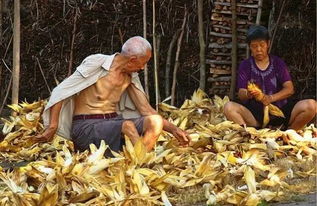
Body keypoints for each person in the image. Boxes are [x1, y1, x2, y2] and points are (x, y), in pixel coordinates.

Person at [38, 36, 190, 154]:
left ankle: (135, 161)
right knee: (127, 125)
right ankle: (143, 162)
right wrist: (52, 126)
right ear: (132, 60)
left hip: (114, 122)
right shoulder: (96, 63)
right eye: (143, 63)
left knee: (155, 121)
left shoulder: (130, 75)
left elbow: (146, 109)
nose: (143, 68)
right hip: (86, 127)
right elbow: (61, 91)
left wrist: (174, 129)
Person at [224, 25, 316, 130]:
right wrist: (248, 94)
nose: (258, 49)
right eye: (254, 46)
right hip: (255, 115)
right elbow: (241, 93)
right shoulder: (245, 65)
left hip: (281, 111)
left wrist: (270, 98)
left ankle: (289, 133)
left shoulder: (278, 63)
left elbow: (289, 89)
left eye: (262, 45)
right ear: (249, 47)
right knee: (228, 107)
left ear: (268, 44)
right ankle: (250, 135)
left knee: (311, 105)